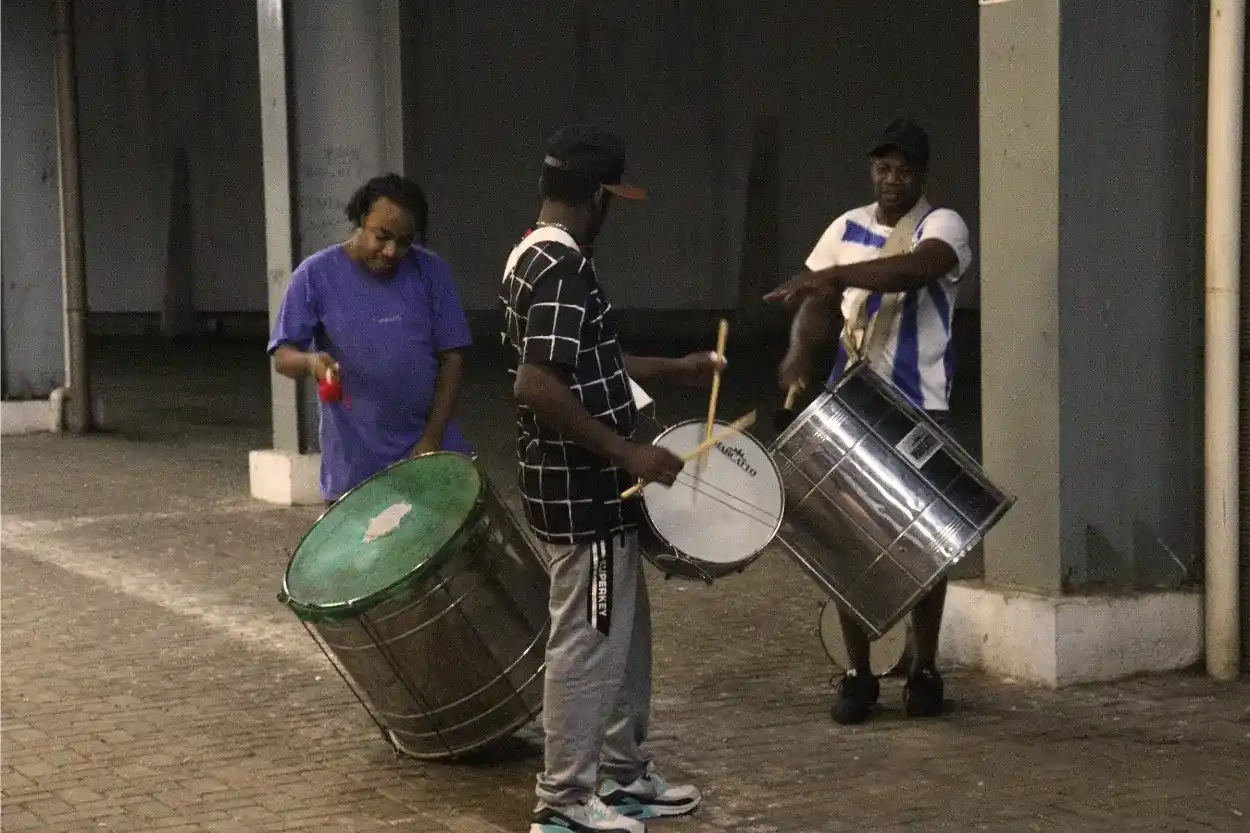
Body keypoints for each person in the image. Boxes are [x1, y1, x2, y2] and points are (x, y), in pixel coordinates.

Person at [501, 124, 723, 833]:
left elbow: (588, 356)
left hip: (581, 488)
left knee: (620, 634)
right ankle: (563, 803)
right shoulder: (565, 268)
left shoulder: (531, 256)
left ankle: (624, 773)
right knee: (586, 643)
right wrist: (626, 453)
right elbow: (537, 382)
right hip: (586, 492)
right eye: (612, 201)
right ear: (596, 197)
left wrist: (670, 368)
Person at [765, 118, 973, 725]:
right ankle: (858, 675)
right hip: (850, 404)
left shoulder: (943, 225)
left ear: (921, 174)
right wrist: (799, 357)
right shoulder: (843, 227)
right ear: (872, 170)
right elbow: (815, 300)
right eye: (883, 168)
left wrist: (829, 276)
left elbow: (915, 269)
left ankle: (925, 667)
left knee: (927, 548)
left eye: (904, 169)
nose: (892, 178)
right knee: (846, 543)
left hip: (917, 404)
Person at [268, 174, 473, 505]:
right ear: (361, 220)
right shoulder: (315, 275)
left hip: (429, 450)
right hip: (356, 464)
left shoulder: (431, 272)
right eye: (382, 236)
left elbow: (453, 358)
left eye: (405, 242)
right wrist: (310, 362)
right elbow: (282, 356)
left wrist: (432, 440)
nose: (392, 251)